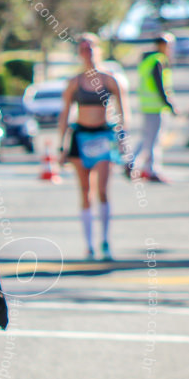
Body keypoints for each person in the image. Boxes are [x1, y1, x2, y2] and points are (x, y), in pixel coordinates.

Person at [57, 33, 131, 261]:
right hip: (80, 136)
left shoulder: (110, 79)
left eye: (90, 48)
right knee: (84, 192)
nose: (87, 52)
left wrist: (123, 142)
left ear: (98, 50)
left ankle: (105, 241)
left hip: (103, 135)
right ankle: (88, 245)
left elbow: (123, 112)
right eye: (83, 49)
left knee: (102, 190)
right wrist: (61, 147)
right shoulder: (74, 82)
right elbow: (65, 113)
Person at [130, 33, 176, 184]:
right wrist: (169, 104)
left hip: (147, 105)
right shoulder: (158, 60)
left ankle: (131, 163)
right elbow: (159, 85)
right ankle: (152, 170)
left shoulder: (147, 59)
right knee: (154, 139)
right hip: (155, 106)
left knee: (147, 137)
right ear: (162, 45)